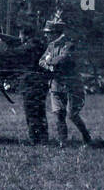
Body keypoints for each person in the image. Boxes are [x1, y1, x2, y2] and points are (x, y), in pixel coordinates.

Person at [39, 14, 92, 146]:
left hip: (71, 85)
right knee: (58, 114)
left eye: (48, 33)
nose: (46, 36)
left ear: (56, 33)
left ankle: (86, 135)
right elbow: (41, 61)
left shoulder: (68, 44)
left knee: (72, 114)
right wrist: (47, 64)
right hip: (55, 85)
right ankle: (63, 142)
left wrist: (49, 62)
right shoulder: (50, 46)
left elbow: (62, 59)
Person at [0, 26, 49, 144]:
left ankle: (36, 139)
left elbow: (9, 53)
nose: (19, 38)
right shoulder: (38, 44)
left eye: (21, 35)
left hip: (31, 84)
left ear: (26, 35)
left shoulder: (30, 46)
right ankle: (42, 138)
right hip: (39, 83)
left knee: (32, 112)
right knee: (39, 112)